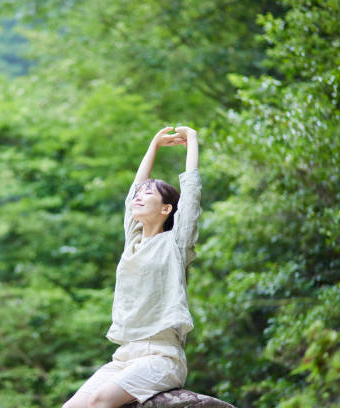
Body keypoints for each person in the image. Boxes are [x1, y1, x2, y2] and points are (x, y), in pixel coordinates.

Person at [62, 126, 202, 408]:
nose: (139, 195)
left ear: (166, 209)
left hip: (162, 357)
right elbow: (130, 199)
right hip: (124, 356)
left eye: (148, 193)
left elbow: (190, 196)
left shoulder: (175, 244)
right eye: (140, 192)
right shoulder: (134, 242)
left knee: (101, 400)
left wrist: (193, 142)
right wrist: (153, 145)